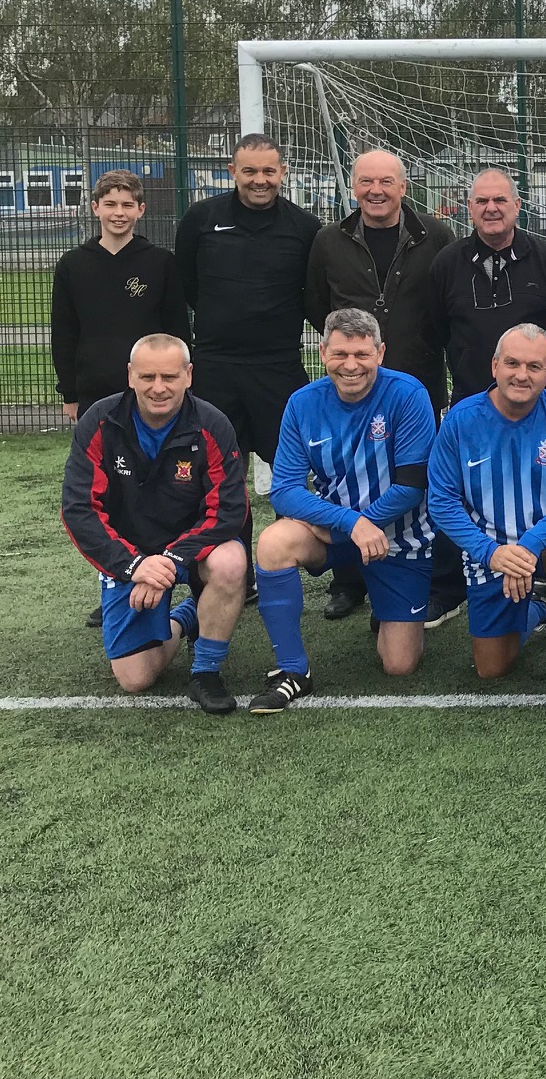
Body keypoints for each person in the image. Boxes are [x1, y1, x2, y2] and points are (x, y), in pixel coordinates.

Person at [251, 309, 438, 714]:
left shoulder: (408, 394)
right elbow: (284, 489)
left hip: (398, 538)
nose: (350, 365)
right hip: (335, 531)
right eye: (340, 354)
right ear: (322, 352)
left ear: (380, 353)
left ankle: (391, 609)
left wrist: (354, 524)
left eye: (361, 354)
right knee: (274, 542)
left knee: (399, 665)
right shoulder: (302, 403)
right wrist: (349, 523)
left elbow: (411, 487)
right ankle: (292, 670)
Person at [427, 324, 546, 716]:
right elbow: (441, 502)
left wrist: (528, 547)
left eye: (534, 366)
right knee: (491, 669)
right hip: (490, 553)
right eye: (512, 363)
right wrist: (491, 553)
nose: (521, 375)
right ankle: (541, 604)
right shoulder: (460, 420)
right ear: (494, 366)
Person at [306, 149, 458, 621]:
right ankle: (350, 581)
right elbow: (317, 305)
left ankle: (435, 579)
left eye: (386, 181)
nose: (376, 190)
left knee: (422, 481)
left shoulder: (436, 235)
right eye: (367, 181)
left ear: (403, 187)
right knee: (346, 478)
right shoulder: (329, 240)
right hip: (352, 386)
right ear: (354, 187)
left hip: (418, 380)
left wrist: (421, 345)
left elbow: (447, 303)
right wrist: (355, 354)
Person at [60, 333, 249, 713]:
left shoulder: (213, 424)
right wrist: (134, 565)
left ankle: (206, 673)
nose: (158, 388)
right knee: (135, 678)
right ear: (130, 375)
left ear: (188, 375)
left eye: (169, 377)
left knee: (231, 561)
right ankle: (187, 616)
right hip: (131, 555)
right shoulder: (99, 421)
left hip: (192, 552)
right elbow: (79, 509)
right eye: (147, 377)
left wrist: (169, 561)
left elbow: (229, 510)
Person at [51, 169, 191, 629]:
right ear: (95, 208)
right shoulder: (73, 264)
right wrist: (70, 393)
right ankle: (116, 577)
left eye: (127, 204)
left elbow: (177, 329)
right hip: (97, 395)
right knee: (110, 492)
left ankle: (180, 574)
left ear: (141, 210)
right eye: (109, 204)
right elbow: (63, 333)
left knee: (162, 485)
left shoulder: (159, 262)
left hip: (153, 395)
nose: (118, 213)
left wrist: (179, 385)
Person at [175, 132, 321, 501]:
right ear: (232, 171)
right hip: (216, 367)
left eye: (269, 171)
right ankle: (226, 540)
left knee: (292, 477)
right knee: (219, 480)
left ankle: (291, 539)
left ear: (283, 172)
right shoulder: (201, 218)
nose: (260, 180)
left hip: (279, 367)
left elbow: (313, 293)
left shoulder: (305, 227)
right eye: (250, 171)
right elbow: (187, 285)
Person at [429, 166, 546, 403]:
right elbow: (437, 330)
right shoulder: (447, 263)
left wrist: (539, 371)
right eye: (482, 201)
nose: (491, 208)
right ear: (470, 207)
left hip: (543, 401)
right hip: (472, 401)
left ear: (517, 205)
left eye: (500, 200)